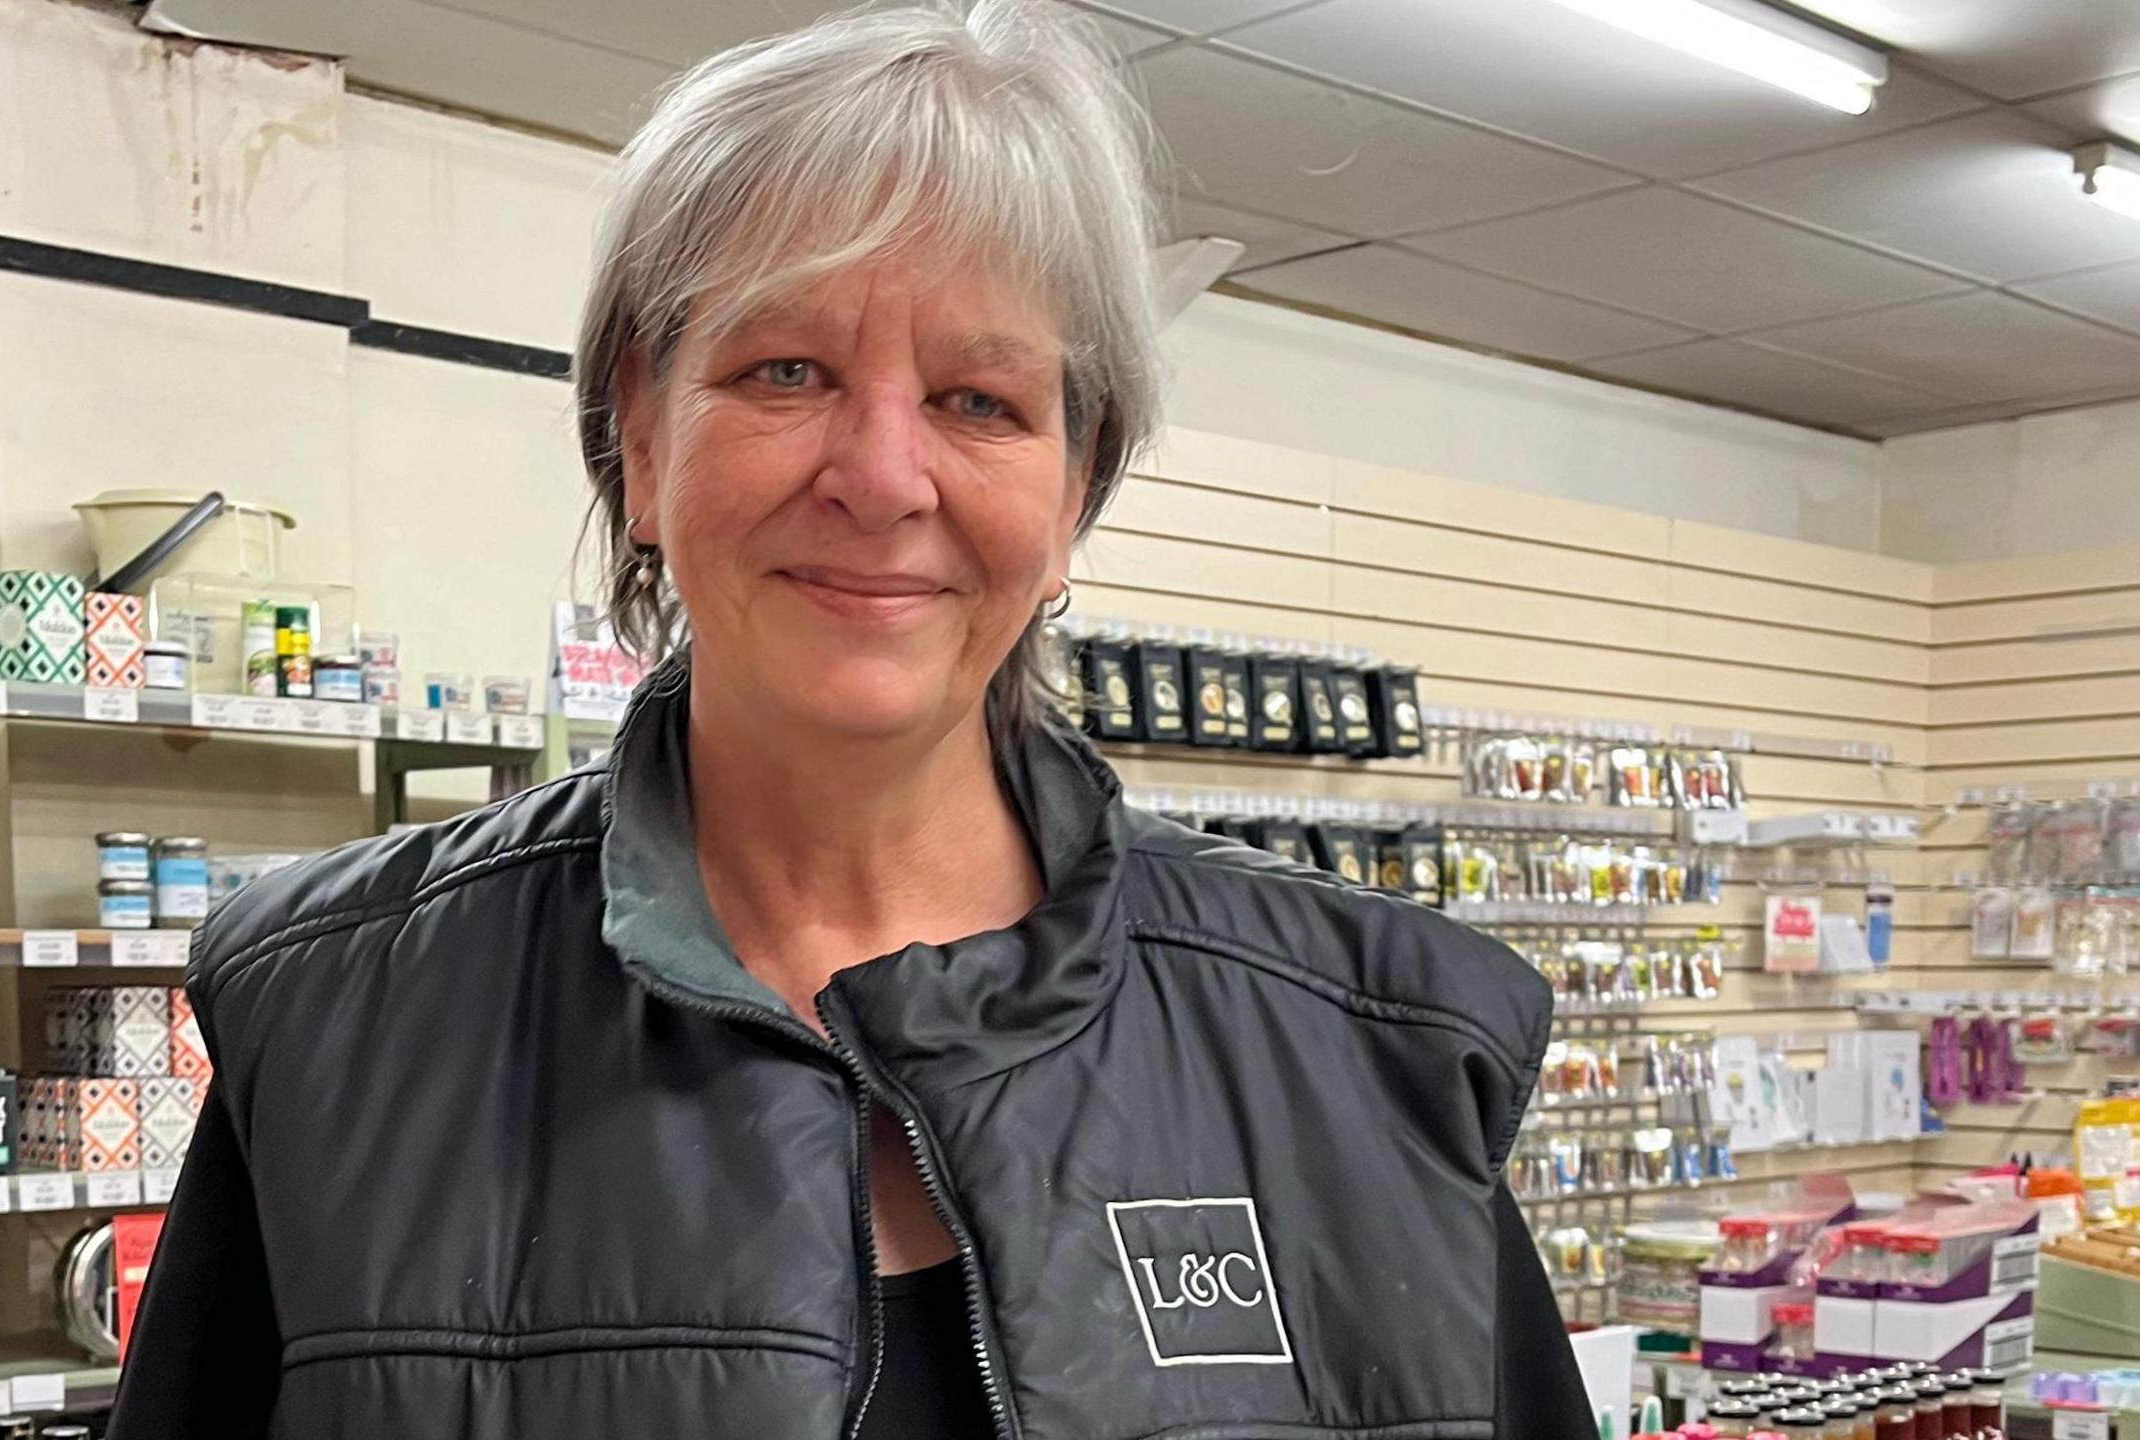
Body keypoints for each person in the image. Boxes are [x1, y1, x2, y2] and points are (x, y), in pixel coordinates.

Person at [109, 2, 1592, 1435]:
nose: (882, 476)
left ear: (1075, 487)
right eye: (788, 370)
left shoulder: (1384, 1045)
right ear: (639, 434)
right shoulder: (333, 1013)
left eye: (977, 401)